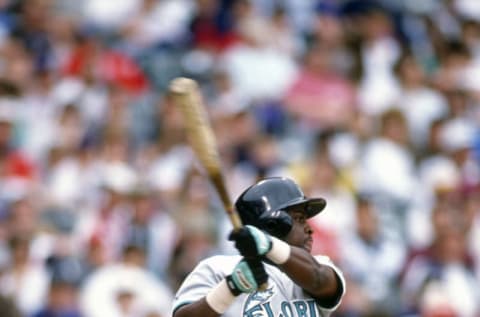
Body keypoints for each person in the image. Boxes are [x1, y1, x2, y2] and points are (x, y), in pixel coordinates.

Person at [172, 177, 345, 317]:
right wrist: (231, 287)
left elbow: (319, 279)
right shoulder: (218, 268)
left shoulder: (316, 265)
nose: (309, 228)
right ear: (273, 224)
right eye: (299, 219)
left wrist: (268, 244)